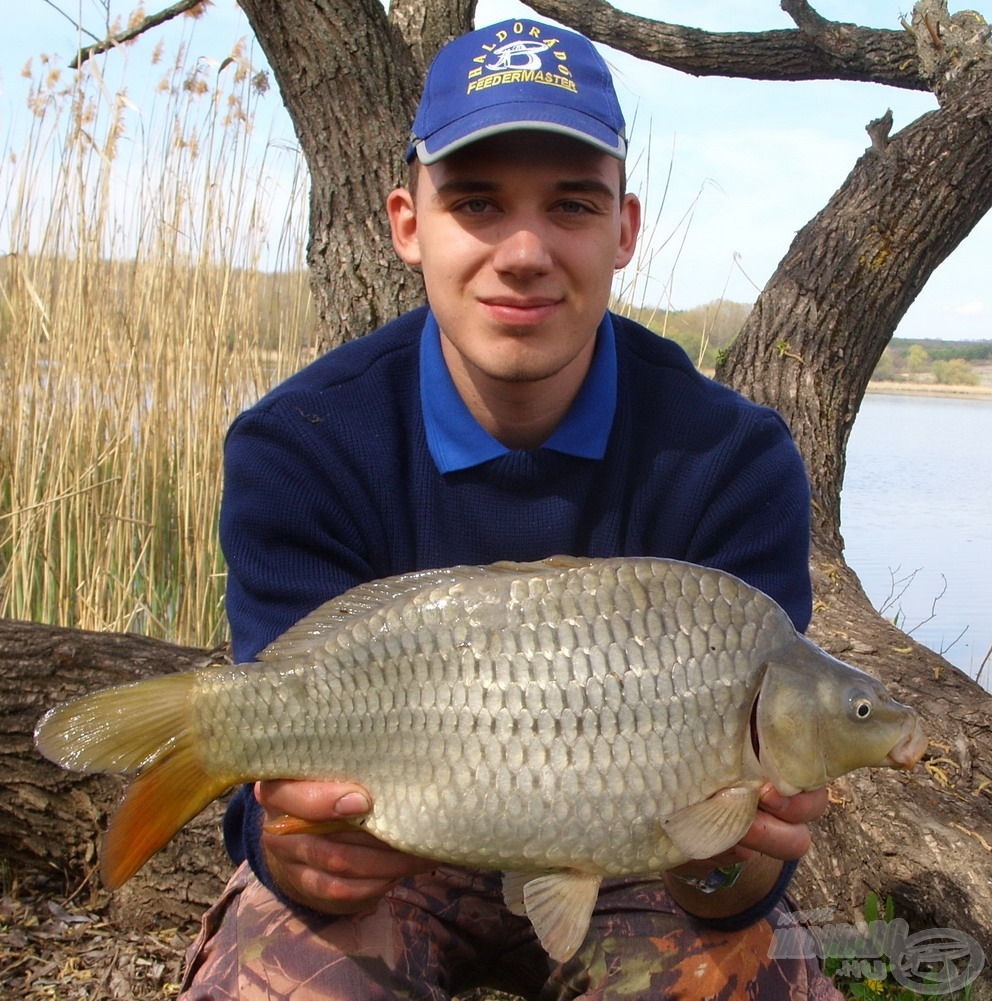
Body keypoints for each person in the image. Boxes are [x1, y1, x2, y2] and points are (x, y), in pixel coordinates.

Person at [181, 17, 840, 1000]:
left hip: (637, 865)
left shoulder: (728, 459)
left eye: (570, 204)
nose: (524, 251)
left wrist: (732, 866)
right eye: (478, 203)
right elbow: (275, 783)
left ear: (624, 227)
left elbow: (731, 868)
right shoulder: (304, 441)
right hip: (399, 851)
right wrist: (293, 848)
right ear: (409, 224)